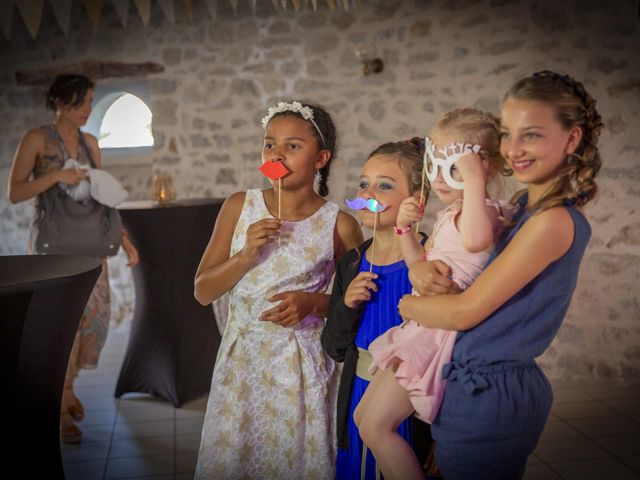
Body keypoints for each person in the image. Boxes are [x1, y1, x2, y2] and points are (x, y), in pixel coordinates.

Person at [375, 71, 601, 480]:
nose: (514, 149)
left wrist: (409, 303)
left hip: (490, 393)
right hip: (467, 384)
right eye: (508, 134)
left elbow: (464, 312)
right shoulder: (519, 206)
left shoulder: (552, 222)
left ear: (572, 139)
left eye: (530, 134)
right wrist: (421, 266)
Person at [193, 100, 363, 479]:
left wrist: (315, 302)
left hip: (302, 370)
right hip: (243, 367)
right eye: (270, 144)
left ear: (320, 158)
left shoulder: (339, 225)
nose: (277, 154)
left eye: (292, 146)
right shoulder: (239, 206)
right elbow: (203, 291)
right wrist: (246, 254)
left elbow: (356, 305)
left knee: (295, 461)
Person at [7, 73, 139, 444]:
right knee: (58, 324)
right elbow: (15, 192)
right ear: (61, 103)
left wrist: (125, 240)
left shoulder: (91, 143)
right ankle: (61, 405)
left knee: (93, 322)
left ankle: (69, 388)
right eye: (82, 103)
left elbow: (104, 196)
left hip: (91, 245)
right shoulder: (36, 139)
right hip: (52, 248)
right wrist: (56, 176)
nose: (88, 110)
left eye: (91, 102)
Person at [322, 138, 436, 480]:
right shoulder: (352, 262)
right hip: (359, 393)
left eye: (384, 185)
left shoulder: (429, 260)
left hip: (411, 404)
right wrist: (346, 304)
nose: (368, 192)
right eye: (363, 183)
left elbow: (444, 353)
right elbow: (335, 348)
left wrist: (441, 437)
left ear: (416, 201)